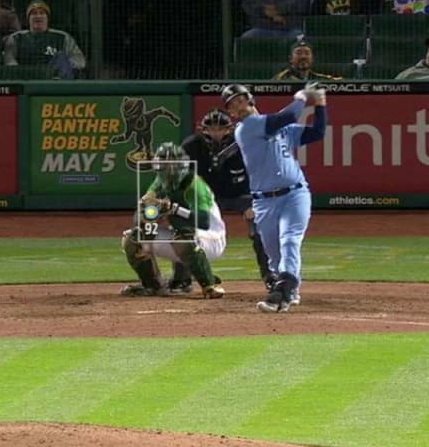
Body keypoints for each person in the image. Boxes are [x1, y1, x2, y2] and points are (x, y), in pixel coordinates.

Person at [224, 81, 328, 312]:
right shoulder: (247, 128)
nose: (238, 107)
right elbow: (290, 114)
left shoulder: (276, 127)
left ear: (250, 100)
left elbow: (318, 132)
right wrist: (302, 96)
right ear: (230, 113)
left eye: (240, 100)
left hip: (295, 194)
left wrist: (320, 103)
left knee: (290, 240)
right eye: (233, 105)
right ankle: (290, 289)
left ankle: (282, 294)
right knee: (273, 255)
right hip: (263, 201)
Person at [172, 109, 271, 292]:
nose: (216, 133)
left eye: (221, 129)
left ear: (229, 129)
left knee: (259, 227)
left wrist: (254, 202)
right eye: (211, 129)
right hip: (205, 197)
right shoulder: (191, 146)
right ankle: (182, 280)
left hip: (240, 195)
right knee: (184, 227)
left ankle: (270, 276)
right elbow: (179, 177)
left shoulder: (242, 145)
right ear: (204, 130)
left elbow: (259, 174)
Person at [119, 142, 227, 299]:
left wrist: (174, 209)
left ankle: (209, 285)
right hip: (184, 235)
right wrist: (150, 214)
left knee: (182, 237)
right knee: (134, 238)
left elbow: (204, 222)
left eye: (172, 164)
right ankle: (153, 286)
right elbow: (140, 217)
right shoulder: (159, 183)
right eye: (164, 165)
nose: (168, 169)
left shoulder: (194, 184)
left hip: (211, 239)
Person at [3, 0, 86, 78]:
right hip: (26, 79)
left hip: (55, 81)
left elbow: (79, 61)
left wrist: (59, 68)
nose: (38, 16)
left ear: (47, 17)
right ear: (28, 19)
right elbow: (9, 61)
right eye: (34, 13)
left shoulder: (62, 37)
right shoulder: (16, 38)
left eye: (42, 13)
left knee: (61, 57)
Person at [273, 38, 342, 81]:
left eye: (307, 53)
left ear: (312, 58)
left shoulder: (319, 77)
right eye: (298, 53)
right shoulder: (280, 79)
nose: (303, 56)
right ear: (290, 58)